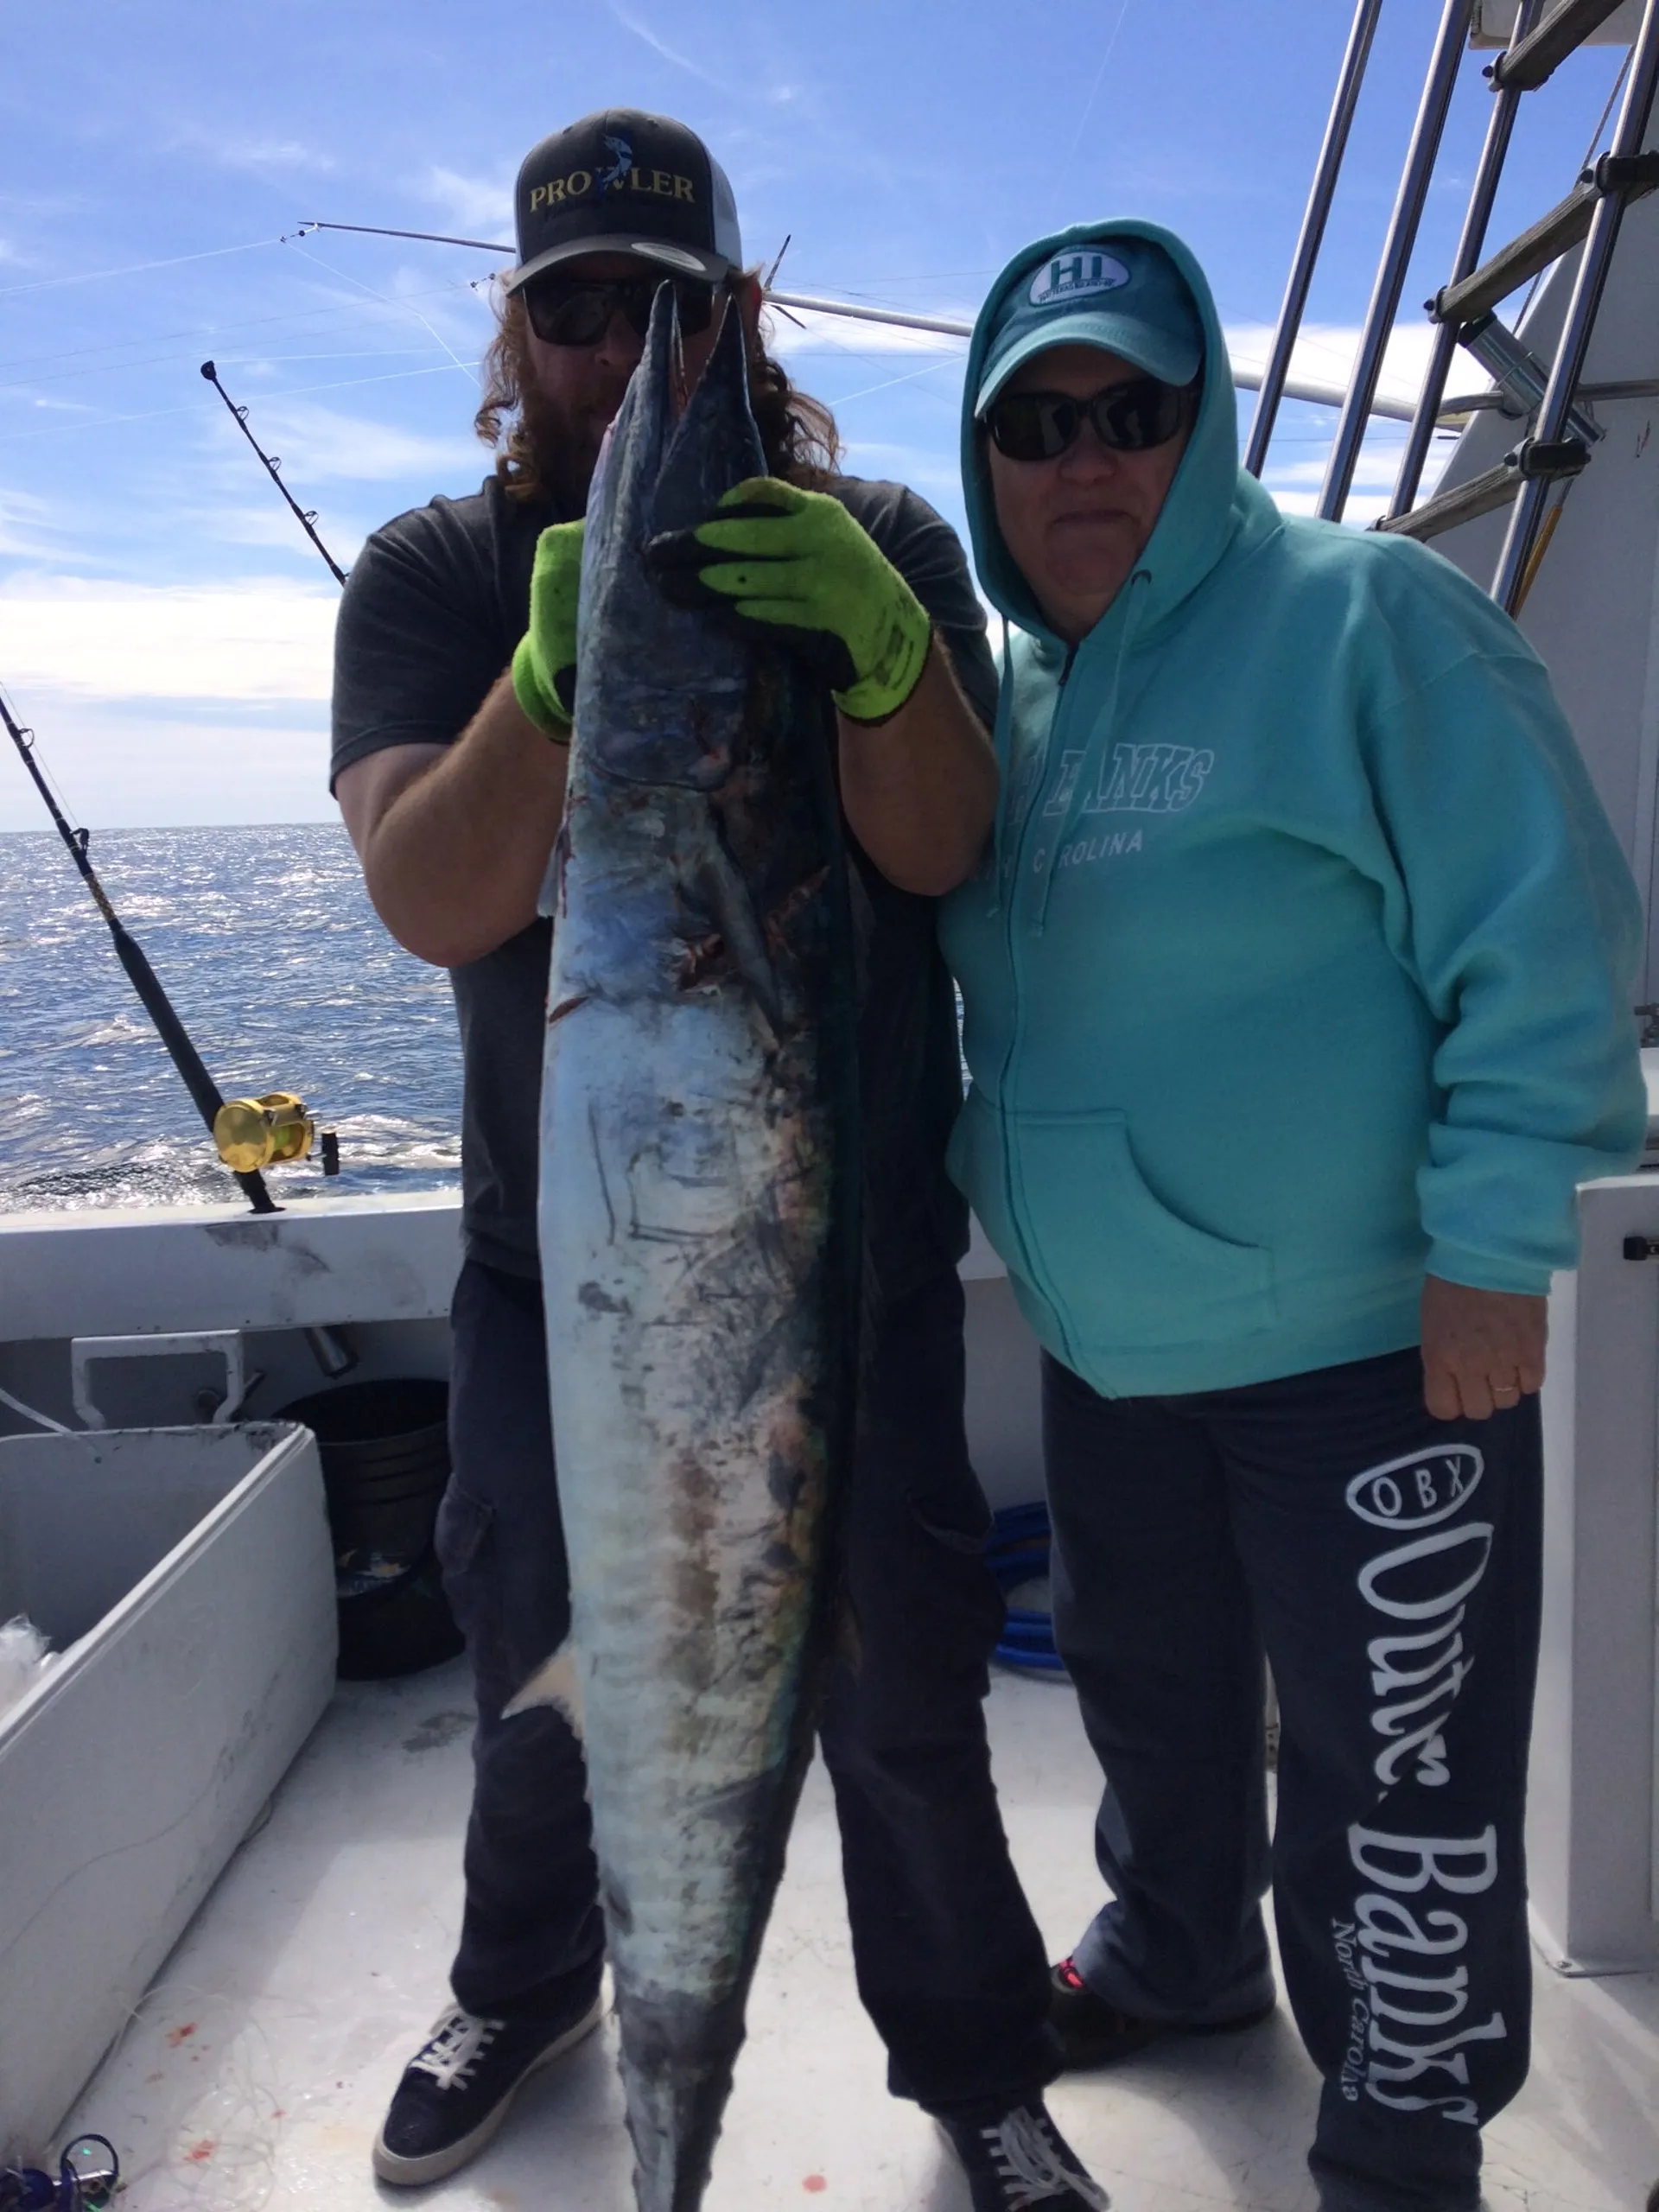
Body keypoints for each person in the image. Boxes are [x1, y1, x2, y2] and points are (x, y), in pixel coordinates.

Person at [332, 111, 1107, 2212]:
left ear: (732, 318)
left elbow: (943, 844)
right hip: (546, 1278)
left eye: (660, 306)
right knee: (532, 1682)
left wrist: (876, 651)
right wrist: (543, 683)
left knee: (911, 1691)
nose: (614, 349)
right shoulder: (440, 572)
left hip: (838, 1271)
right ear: (519, 327)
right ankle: (529, 1983)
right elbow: (427, 888)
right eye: (572, 308)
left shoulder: (874, 537)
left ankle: (974, 2062)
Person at [939, 219, 1647, 2212]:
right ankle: (1179, 1951)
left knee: (1388, 1775)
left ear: (1206, 424)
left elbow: (1549, 945)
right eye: (1036, 420)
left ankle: (1407, 2130)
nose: (1083, 456)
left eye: (1130, 410)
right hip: (1110, 1345)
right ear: (987, 459)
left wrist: (1493, 1250)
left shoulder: (1369, 617)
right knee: (1148, 1697)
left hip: (1370, 1345)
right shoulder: (1007, 694)